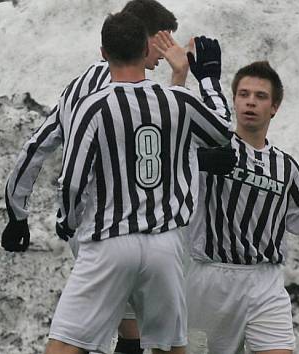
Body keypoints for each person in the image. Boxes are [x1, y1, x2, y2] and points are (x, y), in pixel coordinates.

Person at [46, 11, 232, 354]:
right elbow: (222, 131)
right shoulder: (175, 99)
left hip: (110, 242)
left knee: (65, 345)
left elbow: (72, 181)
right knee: (168, 346)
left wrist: (67, 222)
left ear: (104, 52)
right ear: (146, 49)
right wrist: (206, 80)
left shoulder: (93, 106)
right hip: (164, 244)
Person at [2, 1, 182, 352]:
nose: (166, 53)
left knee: (129, 331)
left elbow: (37, 145)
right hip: (112, 229)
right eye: (164, 43)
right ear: (144, 39)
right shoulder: (130, 92)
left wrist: (17, 212)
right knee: (89, 338)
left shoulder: (77, 85)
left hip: (90, 228)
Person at [187, 61, 299, 354]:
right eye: (243, 94)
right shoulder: (212, 148)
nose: (250, 101)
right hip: (209, 279)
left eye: (260, 96)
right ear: (235, 100)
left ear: (274, 107)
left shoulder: (285, 166)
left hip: (264, 282)